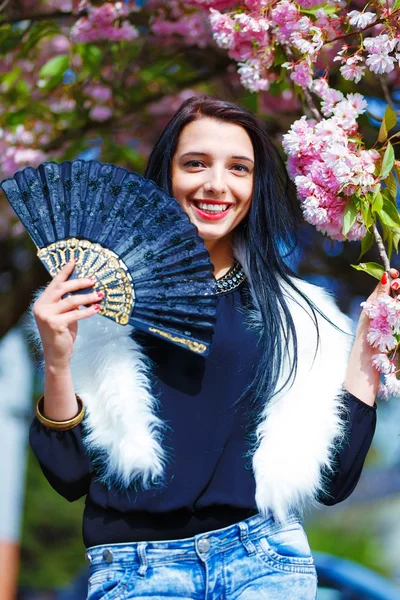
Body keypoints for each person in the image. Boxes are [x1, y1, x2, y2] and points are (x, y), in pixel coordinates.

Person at [28, 96, 394, 600]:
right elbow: (68, 475)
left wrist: (372, 338)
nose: (216, 184)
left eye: (238, 168)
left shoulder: (300, 314)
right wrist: (57, 357)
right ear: (167, 174)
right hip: (139, 571)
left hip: (265, 561)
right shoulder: (98, 307)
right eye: (195, 163)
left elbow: (332, 481)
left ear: (255, 186)